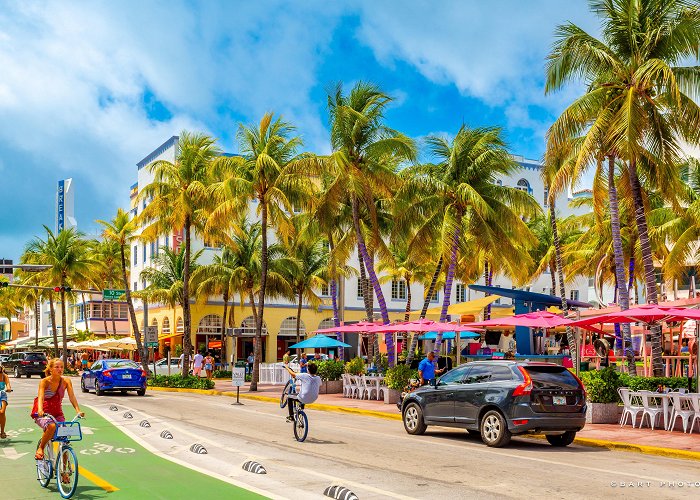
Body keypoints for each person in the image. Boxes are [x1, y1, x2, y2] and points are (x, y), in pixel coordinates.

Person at [33, 358, 84, 461]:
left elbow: (72, 397)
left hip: (58, 413)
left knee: (64, 441)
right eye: (56, 367)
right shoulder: (44, 381)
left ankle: (64, 472)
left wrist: (78, 410)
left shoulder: (66, 381)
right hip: (44, 413)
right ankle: (40, 448)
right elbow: (41, 397)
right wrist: (40, 410)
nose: (60, 369)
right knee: (51, 426)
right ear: (50, 369)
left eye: (61, 367)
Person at [0, 365, 12, 439]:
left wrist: (8, 389)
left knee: (2, 412)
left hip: (2, 394)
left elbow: (8, 385)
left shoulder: (4, 376)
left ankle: (2, 432)